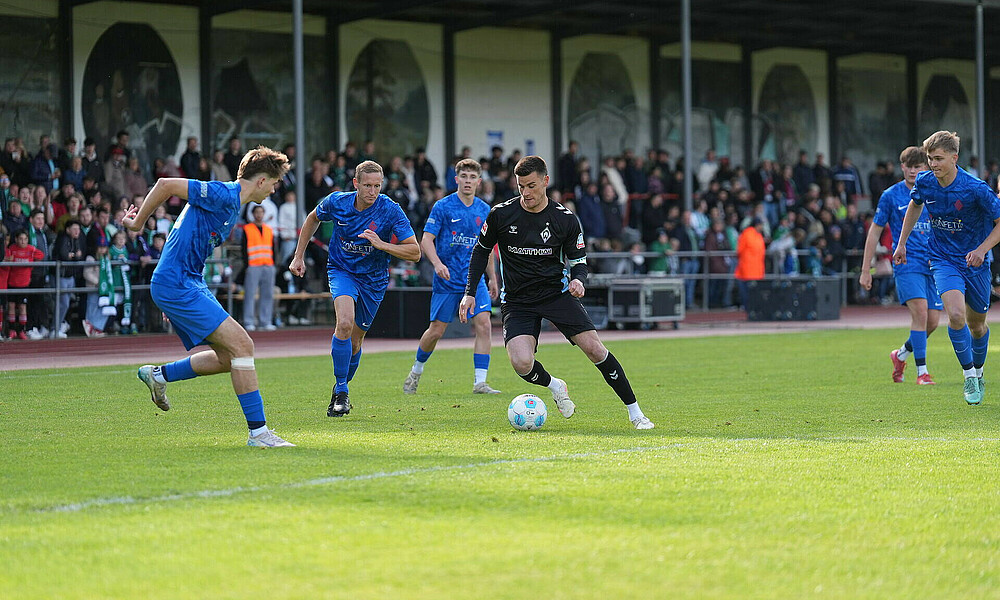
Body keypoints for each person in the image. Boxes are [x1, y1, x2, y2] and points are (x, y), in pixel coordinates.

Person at [459, 155, 654, 430]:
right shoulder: (501, 214)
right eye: (521, 186)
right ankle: (554, 385)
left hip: (556, 295)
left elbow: (579, 262)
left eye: (531, 186)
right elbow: (480, 251)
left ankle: (636, 413)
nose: (526, 193)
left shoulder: (564, 219)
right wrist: (469, 292)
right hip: (517, 300)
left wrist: (579, 280)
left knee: (595, 349)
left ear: (545, 181)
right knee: (521, 363)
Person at [123, 146, 294, 447]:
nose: (274, 190)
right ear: (261, 181)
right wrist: (137, 225)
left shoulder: (232, 205)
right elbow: (165, 184)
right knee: (244, 345)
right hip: (178, 283)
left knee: (230, 357)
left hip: (186, 283)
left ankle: (158, 375)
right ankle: (259, 434)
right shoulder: (223, 193)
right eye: (274, 183)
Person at [289, 160, 419, 417]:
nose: (373, 191)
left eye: (378, 186)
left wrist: (383, 245)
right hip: (342, 271)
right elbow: (313, 218)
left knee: (356, 341)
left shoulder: (390, 210)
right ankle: (341, 391)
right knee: (345, 324)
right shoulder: (337, 201)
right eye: (368, 186)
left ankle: (341, 386)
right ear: (356, 183)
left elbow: (414, 252)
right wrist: (298, 256)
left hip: (374, 279)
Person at [894, 131, 1000, 406]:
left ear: (954, 158)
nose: (932, 163)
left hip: (975, 263)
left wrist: (981, 250)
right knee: (954, 314)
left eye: (938, 158)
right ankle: (969, 375)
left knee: (977, 326)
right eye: (930, 158)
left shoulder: (976, 188)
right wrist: (902, 243)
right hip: (943, 259)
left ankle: (979, 371)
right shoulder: (925, 182)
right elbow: (915, 206)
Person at [403, 159, 501, 395]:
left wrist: (492, 277)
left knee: (484, 324)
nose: (468, 181)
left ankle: (480, 383)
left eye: (472, 177)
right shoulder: (443, 206)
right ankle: (416, 371)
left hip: (474, 280)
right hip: (447, 280)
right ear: (456, 179)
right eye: (464, 176)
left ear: (479, 181)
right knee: (436, 331)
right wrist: (437, 264)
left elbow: (487, 248)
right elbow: (426, 240)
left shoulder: (485, 210)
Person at [860, 147, 941, 385]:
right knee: (921, 313)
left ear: (926, 168)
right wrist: (865, 270)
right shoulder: (890, 195)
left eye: (918, 167)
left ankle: (901, 354)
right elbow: (874, 232)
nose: (913, 171)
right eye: (909, 166)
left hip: (933, 262)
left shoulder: (935, 191)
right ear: (902, 167)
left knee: (932, 322)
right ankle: (922, 373)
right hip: (906, 262)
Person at [241, 204, 277, 331]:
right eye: (257, 212)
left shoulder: (269, 230)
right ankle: (249, 321)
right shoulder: (247, 229)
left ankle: (265, 321)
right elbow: (243, 249)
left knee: (268, 294)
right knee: (250, 294)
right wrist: (247, 265)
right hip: (253, 265)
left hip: (268, 265)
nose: (259, 215)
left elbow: (274, 248)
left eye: (261, 212)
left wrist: (273, 264)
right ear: (253, 214)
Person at [4, 230, 44, 339]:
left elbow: (41, 255)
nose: (23, 241)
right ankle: (12, 330)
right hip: (12, 282)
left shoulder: (31, 249)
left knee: (22, 307)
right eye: (21, 239)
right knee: (11, 306)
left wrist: (32, 264)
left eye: (25, 239)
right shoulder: (12, 249)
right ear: (16, 239)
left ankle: (21, 330)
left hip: (24, 283)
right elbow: (6, 259)